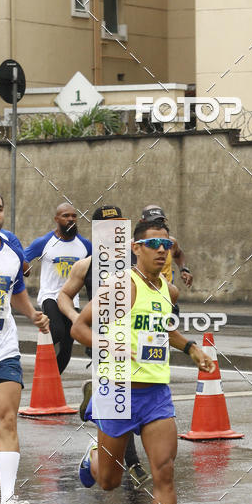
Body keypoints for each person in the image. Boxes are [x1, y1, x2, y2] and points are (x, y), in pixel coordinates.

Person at [71, 217, 215, 504]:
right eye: (154, 245)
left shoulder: (166, 290)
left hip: (156, 395)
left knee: (164, 473)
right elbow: (79, 327)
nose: (163, 251)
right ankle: (91, 460)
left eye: (167, 245)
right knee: (109, 481)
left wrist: (191, 348)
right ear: (136, 248)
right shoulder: (123, 286)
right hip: (117, 391)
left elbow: (163, 329)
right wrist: (113, 345)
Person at [57, 205, 149, 489]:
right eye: (107, 228)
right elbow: (63, 296)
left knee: (132, 401)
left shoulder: (135, 261)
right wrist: (76, 317)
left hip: (136, 345)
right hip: (103, 346)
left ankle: (94, 428)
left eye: (118, 227)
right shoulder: (86, 265)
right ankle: (133, 465)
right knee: (122, 403)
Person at [0, 190, 49, 504]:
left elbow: (16, 291)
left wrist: (33, 314)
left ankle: (7, 500)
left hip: (3, 351)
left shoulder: (12, 250)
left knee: (7, 422)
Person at [24, 203, 92, 374]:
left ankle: (53, 377)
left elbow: (97, 266)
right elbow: (22, 257)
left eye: (73, 216)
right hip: (50, 295)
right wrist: (25, 269)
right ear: (57, 219)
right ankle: (42, 361)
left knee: (69, 341)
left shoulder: (84, 245)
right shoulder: (44, 242)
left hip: (71, 299)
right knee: (57, 330)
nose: (70, 219)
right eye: (65, 216)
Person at [138, 206, 192, 289]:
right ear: (142, 222)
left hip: (167, 294)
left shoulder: (171, 242)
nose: (158, 226)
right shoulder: (134, 246)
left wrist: (184, 269)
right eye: (152, 222)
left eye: (160, 222)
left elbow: (178, 254)